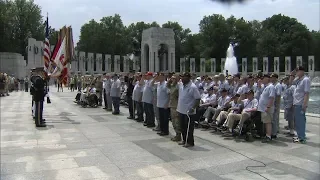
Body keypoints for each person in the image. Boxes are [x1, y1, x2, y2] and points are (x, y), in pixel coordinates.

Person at [177, 72, 201, 147]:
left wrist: (193, 108)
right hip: (181, 109)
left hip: (189, 111)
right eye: (182, 77)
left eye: (184, 77)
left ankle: (190, 142)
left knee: (188, 128)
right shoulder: (181, 85)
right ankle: (184, 140)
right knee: (182, 127)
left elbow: (198, 99)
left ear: (188, 78)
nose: (182, 78)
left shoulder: (193, 87)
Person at [290, 66, 310, 144]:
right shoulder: (298, 79)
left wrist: (304, 105)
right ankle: (299, 136)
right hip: (296, 103)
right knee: (297, 121)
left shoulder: (306, 80)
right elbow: (291, 82)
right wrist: (292, 75)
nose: (297, 72)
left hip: (300, 104)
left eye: (298, 71)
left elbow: (306, 93)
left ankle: (302, 138)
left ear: (302, 71)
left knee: (301, 121)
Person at [258, 74, 275, 143]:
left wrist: (268, 107)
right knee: (266, 122)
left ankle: (268, 136)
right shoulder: (266, 87)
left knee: (268, 122)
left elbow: (272, 97)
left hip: (266, 108)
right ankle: (267, 134)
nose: (262, 80)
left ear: (267, 79)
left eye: (263, 78)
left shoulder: (271, 87)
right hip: (263, 108)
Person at [168, 74, 181, 141]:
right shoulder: (172, 85)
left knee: (176, 121)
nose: (172, 79)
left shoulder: (178, 86)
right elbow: (167, 86)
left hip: (176, 106)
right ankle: (176, 134)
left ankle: (178, 135)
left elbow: (179, 97)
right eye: (172, 78)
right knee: (173, 121)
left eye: (174, 78)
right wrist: (169, 81)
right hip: (172, 105)